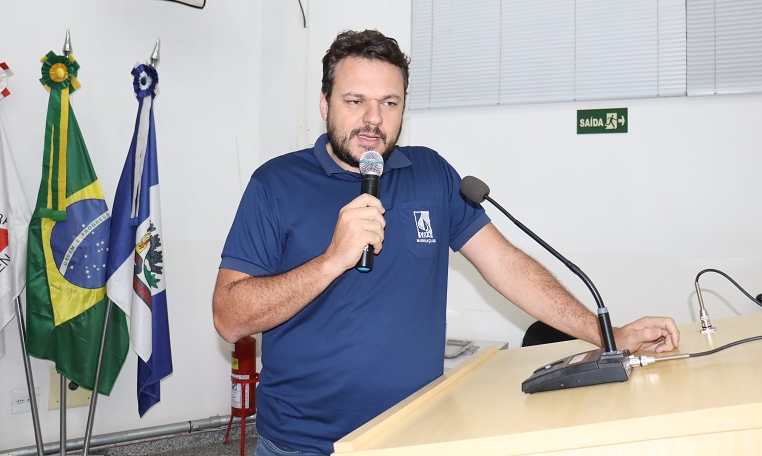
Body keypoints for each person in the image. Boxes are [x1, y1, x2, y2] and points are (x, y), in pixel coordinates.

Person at [212, 29, 680, 456]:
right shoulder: (275, 184)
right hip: (303, 445)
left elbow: (506, 266)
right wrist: (331, 260)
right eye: (355, 100)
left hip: (416, 434)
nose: (373, 119)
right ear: (324, 103)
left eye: (390, 103)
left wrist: (607, 334)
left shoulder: (431, 173)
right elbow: (229, 319)